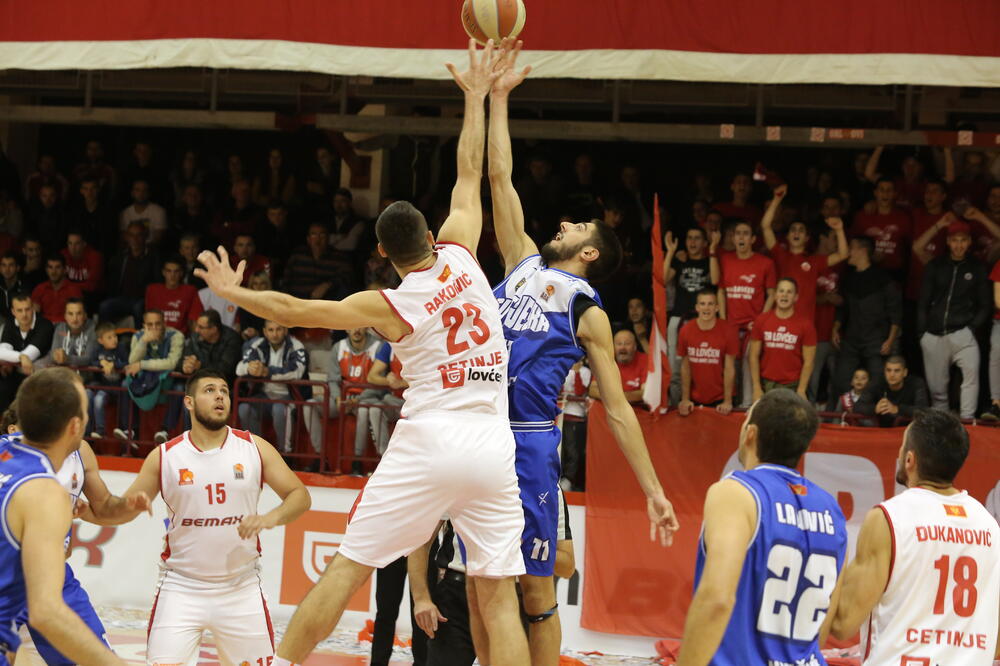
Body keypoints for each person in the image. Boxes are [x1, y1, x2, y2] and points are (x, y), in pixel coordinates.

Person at [195, 39, 533, 666]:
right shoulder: (462, 252)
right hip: (492, 441)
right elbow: (468, 172)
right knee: (497, 599)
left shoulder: (391, 303)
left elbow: (298, 312)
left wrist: (232, 291)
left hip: (432, 437)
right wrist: (475, 98)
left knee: (349, 567)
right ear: (432, 237)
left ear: (384, 258)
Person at [487, 40, 676, 666]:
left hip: (527, 441)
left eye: (578, 227)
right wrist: (497, 100)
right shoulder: (519, 262)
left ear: (590, 252)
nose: (564, 223)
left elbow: (618, 410)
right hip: (471, 432)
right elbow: (498, 179)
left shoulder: (586, 310)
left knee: (536, 591)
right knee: (482, 586)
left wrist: (652, 489)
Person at [111, 369, 310, 664]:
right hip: (181, 587)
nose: (219, 395)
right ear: (189, 402)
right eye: (210, 390)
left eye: (224, 391)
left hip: (240, 587)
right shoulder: (165, 455)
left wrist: (270, 518)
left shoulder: (253, 447)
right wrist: (123, 505)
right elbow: (120, 511)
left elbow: (300, 495)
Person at [675, 389, 847, 666]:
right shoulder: (832, 510)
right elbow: (823, 628)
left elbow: (716, 599)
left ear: (750, 434)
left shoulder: (736, 492)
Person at [828, 409, 999, 664]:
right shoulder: (990, 526)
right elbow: (995, 644)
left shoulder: (889, 518)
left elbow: (842, 623)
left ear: (910, 459)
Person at [3, 395, 152, 665]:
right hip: (6, 577)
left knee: (93, 658)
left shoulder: (80, 451)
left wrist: (129, 505)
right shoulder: (7, 450)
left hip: (54, 575)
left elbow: (103, 508)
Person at [917, 220, 990, 419]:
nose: (959, 245)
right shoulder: (936, 265)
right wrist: (922, 333)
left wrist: (972, 328)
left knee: (971, 379)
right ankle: (941, 429)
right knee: (938, 391)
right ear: (948, 242)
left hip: (962, 334)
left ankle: (967, 424)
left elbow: (985, 304)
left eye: (963, 240)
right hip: (934, 334)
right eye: (955, 240)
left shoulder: (977, 268)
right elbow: (923, 302)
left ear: (969, 242)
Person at [829, 237, 902, 410]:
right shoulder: (848, 278)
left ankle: (867, 413)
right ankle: (846, 412)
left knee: (878, 379)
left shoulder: (883, 279)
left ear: (863, 250)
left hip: (876, 338)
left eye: (851, 248)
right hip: (852, 337)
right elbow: (843, 308)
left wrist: (890, 340)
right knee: (841, 377)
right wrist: (836, 328)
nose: (848, 253)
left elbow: (896, 312)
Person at [759, 184, 848, 323]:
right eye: (793, 230)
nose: (796, 232)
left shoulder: (814, 261)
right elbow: (765, 226)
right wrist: (776, 200)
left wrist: (840, 230)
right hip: (779, 320)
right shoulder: (780, 254)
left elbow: (843, 255)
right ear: (787, 236)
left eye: (801, 230)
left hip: (803, 323)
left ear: (807, 238)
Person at [717, 219, 777, 406]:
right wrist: (723, 319)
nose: (741, 237)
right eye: (737, 234)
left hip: (754, 325)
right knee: (728, 367)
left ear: (753, 239)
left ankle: (748, 406)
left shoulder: (765, 263)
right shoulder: (726, 259)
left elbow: (772, 293)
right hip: (731, 324)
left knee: (750, 367)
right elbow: (721, 290)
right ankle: (729, 404)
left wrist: (761, 320)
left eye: (745, 233)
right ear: (733, 239)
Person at [306, 327, 381, 474]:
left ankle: (357, 461)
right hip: (343, 398)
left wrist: (359, 399)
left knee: (365, 411)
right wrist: (337, 397)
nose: (356, 330)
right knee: (309, 405)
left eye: (360, 325)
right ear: (347, 329)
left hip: (365, 398)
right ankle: (320, 457)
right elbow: (333, 380)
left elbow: (379, 384)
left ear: (366, 327)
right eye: (352, 326)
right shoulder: (338, 347)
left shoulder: (378, 347)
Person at [236, 320, 310, 453]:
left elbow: (296, 371)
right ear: (264, 332)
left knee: (279, 409)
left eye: (279, 329)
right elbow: (239, 367)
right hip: (262, 394)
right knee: (244, 408)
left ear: (286, 330)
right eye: (270, 330)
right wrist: (250, 368)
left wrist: (267, 372)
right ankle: (256, 452)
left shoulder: (296, 346)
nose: (274, 334)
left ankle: (285, 454)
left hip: (289, 396)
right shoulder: (257, 344)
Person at [113, 309, 184, 443]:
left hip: (166, 381)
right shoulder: (138, 336)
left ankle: (165, 431)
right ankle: (130, 430)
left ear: (164, 323)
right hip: (145, 381)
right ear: (144, 325)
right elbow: (132, 361)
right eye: (149, 325)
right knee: (124, 384)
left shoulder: (175, 335)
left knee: (180, 388)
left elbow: (172, 362)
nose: (154, 328)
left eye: (158, 324)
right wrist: (143, 342)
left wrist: (142, 365)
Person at [748, 278, 817, 401]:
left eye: (789, 292)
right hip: (766, 384)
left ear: (796, 297)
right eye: (781, 291)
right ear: (775, 295)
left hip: (792, 386)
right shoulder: (761, 320)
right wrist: (757, 387)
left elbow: (809, 362)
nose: (784, 295)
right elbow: (753, 356)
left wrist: (801, 390)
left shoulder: (806, 324)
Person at [677, 288, 738, 416]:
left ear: (717, 308)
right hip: (695, 399)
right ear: (697, 307)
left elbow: (729, 369)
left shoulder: (729, 331)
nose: (706, 308)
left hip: (720, 399)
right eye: (703, 304)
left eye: (710, 304)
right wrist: (685, 398)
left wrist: (727, 401)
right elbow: (685, 367)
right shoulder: (686, 330)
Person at [851, 177, 912, 280]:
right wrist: (870, 256)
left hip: (894, 274)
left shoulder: (904, 218)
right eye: (881, 190)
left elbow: (909, 246)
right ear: (875, 193)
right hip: (867, 271)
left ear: (895, 194)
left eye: (889, 190)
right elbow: (853, 243)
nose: (885, 193)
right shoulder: (862, 216)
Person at [0, 293, 54, 410]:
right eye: (19, 310)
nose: (24, 314)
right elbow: (2, 351)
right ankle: (7, 426)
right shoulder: (10, 324)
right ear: (13, 312)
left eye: (27, 309)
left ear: (33, 308)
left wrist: (21, 357)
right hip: (16, 375)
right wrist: (21, 357)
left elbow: (31, 353)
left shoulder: (45, 325)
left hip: (40, 377)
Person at [101, 221, 160, 325]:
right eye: (131, 235)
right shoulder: (121, 256)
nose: (135, 239)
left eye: (139, 235)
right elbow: (113, 280)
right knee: (105, 306)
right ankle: (107, 338)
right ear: (127, 237)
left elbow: (156, 282)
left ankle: (140, 339)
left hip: (142, 299)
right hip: (122, 298)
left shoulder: (153, 257)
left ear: (145, 236)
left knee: (138, 308)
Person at [855, 355, 930, 428]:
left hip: (908, 431)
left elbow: (923, 410)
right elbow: (858, 406)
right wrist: (875, 408)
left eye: (896, 371)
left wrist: (897, 409)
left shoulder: (916, 383)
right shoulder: (877, 382)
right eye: (888, 370)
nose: (892, 374)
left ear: (905, 372)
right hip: (882, 431)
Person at [144, 254, 205, 335]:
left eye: (176, 271)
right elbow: (148, 318)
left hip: (180, 337)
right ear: (163, 272)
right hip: (156, 336)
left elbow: (195, 319)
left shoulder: (190, 291)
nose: (172, 275)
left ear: (181, 273)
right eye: (169, 271)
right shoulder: (153, 290)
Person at [366, 341, 407, 456]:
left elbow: (429, 377)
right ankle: (384, 456)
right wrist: (389, 381)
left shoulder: (421, 343)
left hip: (416, 401)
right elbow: (371, 376)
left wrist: (401, 383)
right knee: (375, 410)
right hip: (395, 400)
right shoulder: (390, 345)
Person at [87, 322, 127, 439]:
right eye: (109, 337)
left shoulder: (121, 348)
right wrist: (101, 363)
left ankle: (107, 430)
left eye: (115, 336)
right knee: (94, 397)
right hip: (103, 386)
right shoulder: (97, 350)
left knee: (100, 399)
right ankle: (94, 431)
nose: (114, 339)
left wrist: (114, 365)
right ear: (100, 340)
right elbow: (91, 361)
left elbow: (126, 362)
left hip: (116, 387)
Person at [588, 329, 647, 405]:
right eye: (619, 344)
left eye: (627, 343)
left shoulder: (645, 360)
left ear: (635, 346)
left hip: (636, 408)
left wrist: (617, 399)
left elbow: (644, 393)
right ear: (613, 347)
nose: (622, 348)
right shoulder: (606, 361)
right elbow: (592, 390)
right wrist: (616, 399)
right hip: (611, 406)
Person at [38, 298, 96, 370]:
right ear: (65, 316)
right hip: (62, 375)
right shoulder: (60, 328)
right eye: (70, 314)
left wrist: (66, 358)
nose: (75, 319)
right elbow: (53, 353)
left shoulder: (92, 329)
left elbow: (88, 359)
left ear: (85, 315)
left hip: (85, 377)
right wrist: (56, 356)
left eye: (79, 314)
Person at [31, 253, 84, 324]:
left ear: (65, 270)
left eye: (57, 267)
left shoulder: (73, 289)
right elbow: (33, 314)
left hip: (66, 326)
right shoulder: (40, 289)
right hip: (45, 326)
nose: (53, 271)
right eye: (50, 267)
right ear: (46, 270)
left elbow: (78, 315)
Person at [119, 179, 167, 246]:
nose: (141, 193)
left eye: (144, 190)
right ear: (132, 193)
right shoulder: (125, 213)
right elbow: (124, 237)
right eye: (137, 190)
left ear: (149, 193)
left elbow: (158, 239)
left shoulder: (159, 211)